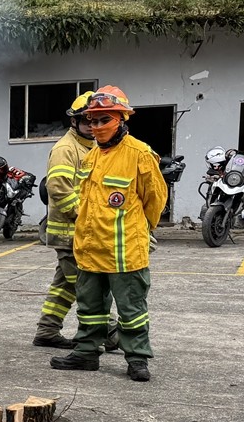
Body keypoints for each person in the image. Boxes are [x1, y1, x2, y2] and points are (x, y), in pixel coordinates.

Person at [51, 86, 167, 382]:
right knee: (90, 309)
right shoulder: (91, 157)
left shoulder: (139, 154)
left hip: (125, 252)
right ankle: (86, 353)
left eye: (104, 120)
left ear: (121, 119)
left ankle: (138, 358)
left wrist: (142, 231)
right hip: (90, 250)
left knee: (132, 310)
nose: (97, 127)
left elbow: (155, 200)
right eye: (92, 121)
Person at [32, 91, 96, 349]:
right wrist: (82, 215)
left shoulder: (89, 147)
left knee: (64, 285)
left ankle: (47, 330)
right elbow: (58, 187)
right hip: (70, 232)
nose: (92, 127)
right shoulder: (66, 149)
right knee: (85, 286)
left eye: (97, 120)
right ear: (74, 122)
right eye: (87, 121)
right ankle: (110, 331)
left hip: (79, 231)